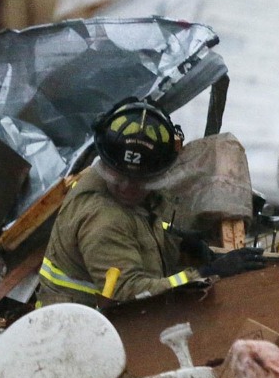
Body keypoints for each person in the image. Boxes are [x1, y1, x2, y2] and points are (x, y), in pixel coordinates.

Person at [36, 100, 264, 308]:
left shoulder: (129, 190)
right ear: (106, 164)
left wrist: (179, 242)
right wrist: (206, 273)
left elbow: (139, 227)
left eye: (139, 180)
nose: (126, 187)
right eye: (118, 176)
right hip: (81, 329)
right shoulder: (102, 219)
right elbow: (129, 294)